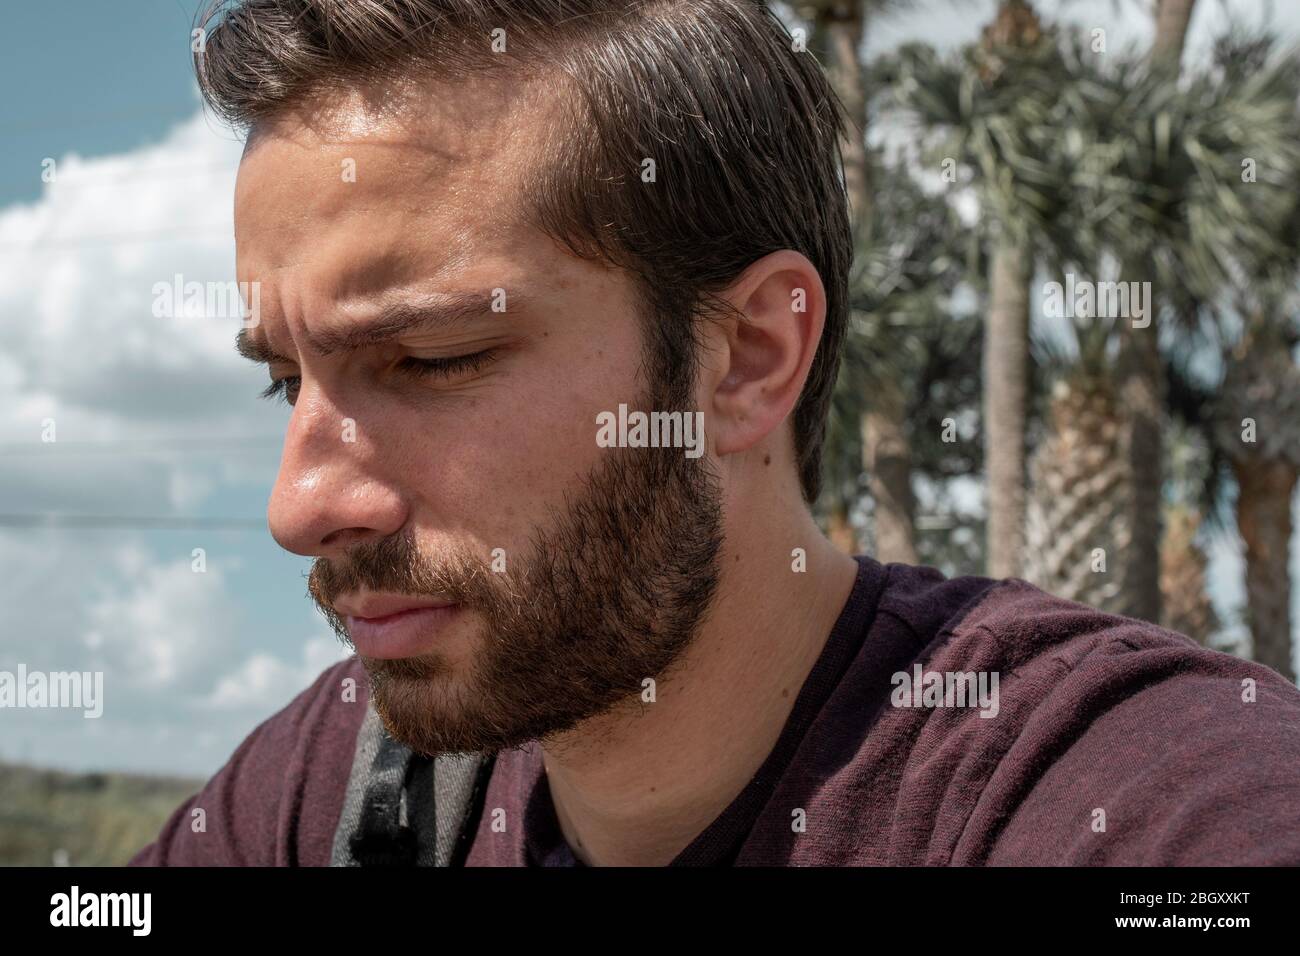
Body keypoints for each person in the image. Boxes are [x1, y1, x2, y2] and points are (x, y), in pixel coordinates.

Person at [131, 0, 1300, 867]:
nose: (298, 508)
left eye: (435, 360)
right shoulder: (346, 789)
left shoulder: (1125, 799)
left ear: (747, 357)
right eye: (290, 382)